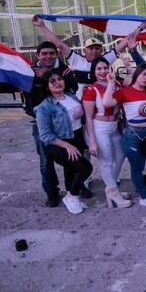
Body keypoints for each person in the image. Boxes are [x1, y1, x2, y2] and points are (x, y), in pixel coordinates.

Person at [102, 64, 146, 208]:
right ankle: (144, 197)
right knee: (137, 167)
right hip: (133, 136)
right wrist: (111, 83)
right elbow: (107, 103)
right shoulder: (124, 92)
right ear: (137, 74)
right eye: (144, 74)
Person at [25, 41, 79, 207]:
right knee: (45, 160)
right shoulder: (28, 71)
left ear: (57, 55)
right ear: (38, 55)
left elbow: (74, 87)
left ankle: (75, 188)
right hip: (42, 120)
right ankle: (51, 192)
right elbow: (29, 96)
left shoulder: (64, 69)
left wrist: (48, 77)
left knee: (71, 156)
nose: (48, 56)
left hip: (66, 121)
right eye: (44, 53)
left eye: (51, 53)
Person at [35, 69, 94, 215]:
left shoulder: (70, 95)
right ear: (47, 86)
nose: (57, 83)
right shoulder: (44, 107)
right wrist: (68, 146)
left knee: (71, 170)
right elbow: (46, 136)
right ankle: (71, 196)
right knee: (85, 168)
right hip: (59, 143)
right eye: (52, 81)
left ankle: (72, 196)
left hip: (77, 136)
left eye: (59, 79)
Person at [31, 15, 127, 95]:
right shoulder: (76, 59)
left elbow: (125, 42)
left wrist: (141, 27)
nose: (94, 51)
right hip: (82, 104)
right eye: (91, 48)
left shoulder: (106, 59)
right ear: (84, 50)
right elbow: (59, 44)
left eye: (97, 48)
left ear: (102, 50)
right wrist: (42, 26)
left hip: (103, 101)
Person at [81, 56, 130, 208]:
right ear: (94, 72)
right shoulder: (91, 90)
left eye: (105, 68)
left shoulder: (117, 84)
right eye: (99, 69)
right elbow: (88, 117)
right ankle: (114, 192)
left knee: (121, 155)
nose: (102, 71)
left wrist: (127, 66)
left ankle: (111, 188)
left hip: (115, 126)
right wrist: (93, 142)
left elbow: (133, 80)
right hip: (99, 128)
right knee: (106, 161)